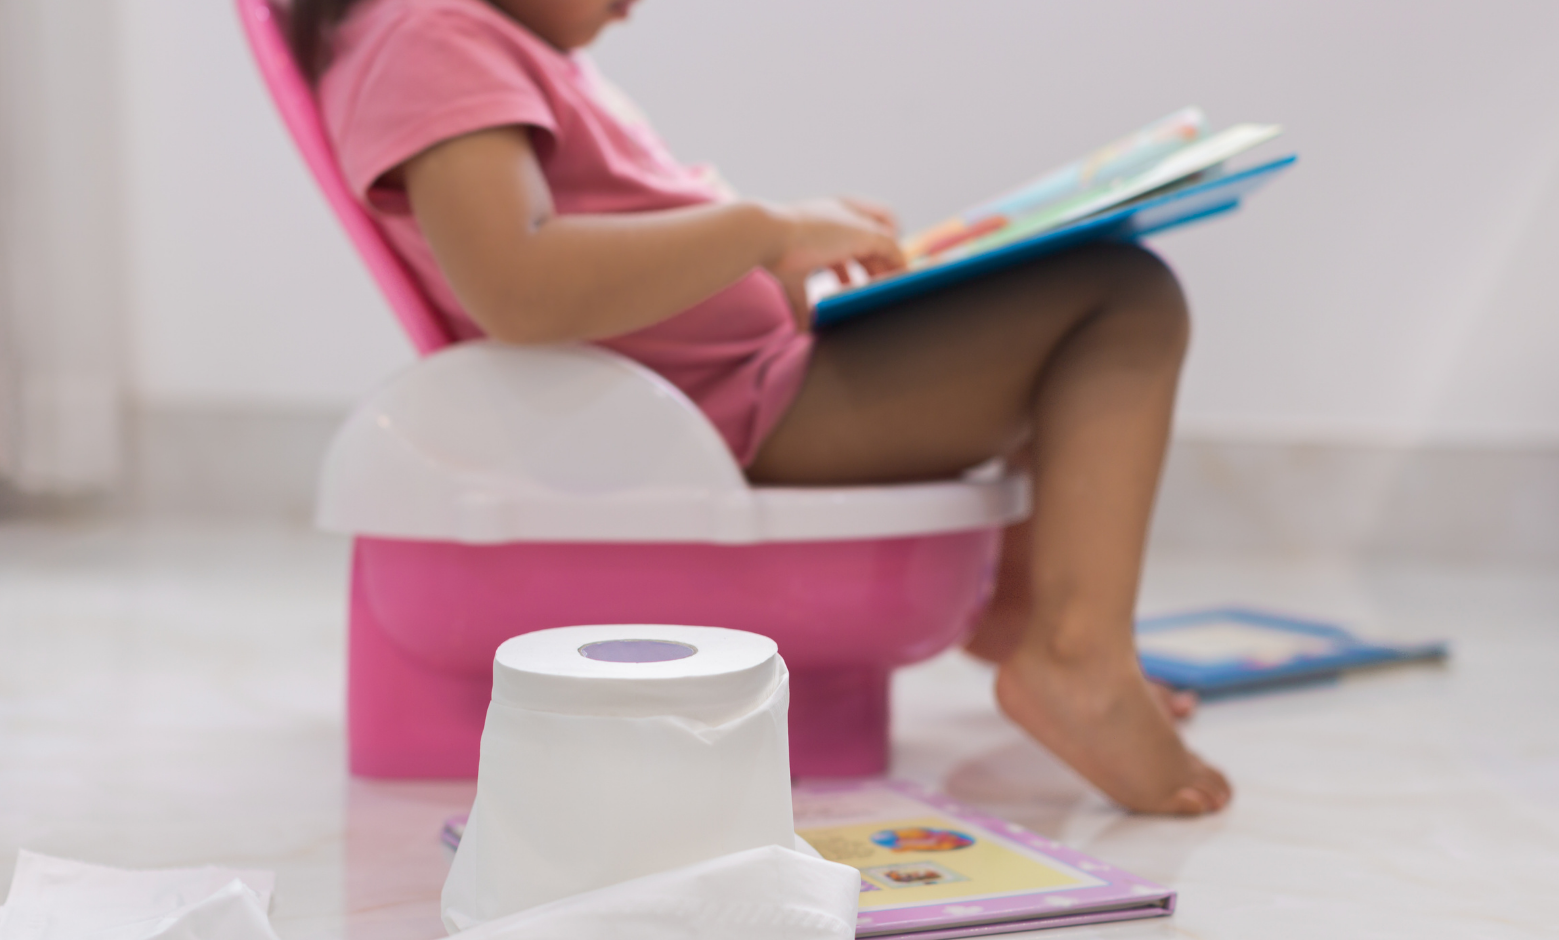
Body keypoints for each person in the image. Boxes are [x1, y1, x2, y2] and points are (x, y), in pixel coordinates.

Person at [290, 0, 1232, 815]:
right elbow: (519, 287)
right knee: (1121, 295)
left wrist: (779, 260)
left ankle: (1030, 612)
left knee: (1042, 296)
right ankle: (1073, 657)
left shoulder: (459, 37)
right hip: (734, 411)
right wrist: (764, 230)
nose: (631, 10)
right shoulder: (430, 34)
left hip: (743, 384)